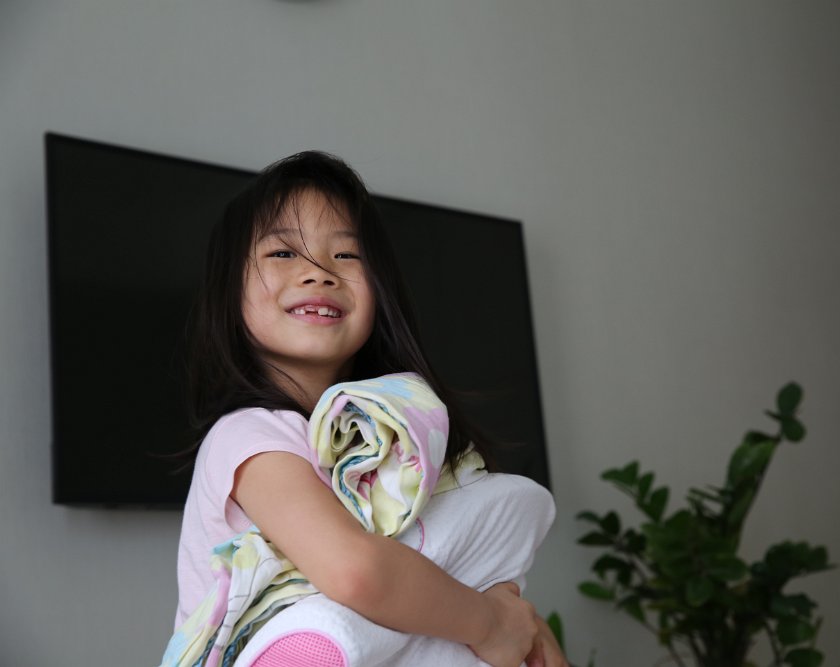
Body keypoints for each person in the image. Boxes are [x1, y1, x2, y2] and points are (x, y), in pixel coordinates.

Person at [174, 150, 565, 667]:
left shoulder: (390, 440)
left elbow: (443, 559)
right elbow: (355, 571)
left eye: (347, 255)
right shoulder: (247, 435)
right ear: (229, 291)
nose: (319, 272)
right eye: (283, 252)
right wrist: (489, 623)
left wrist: (515, 622)